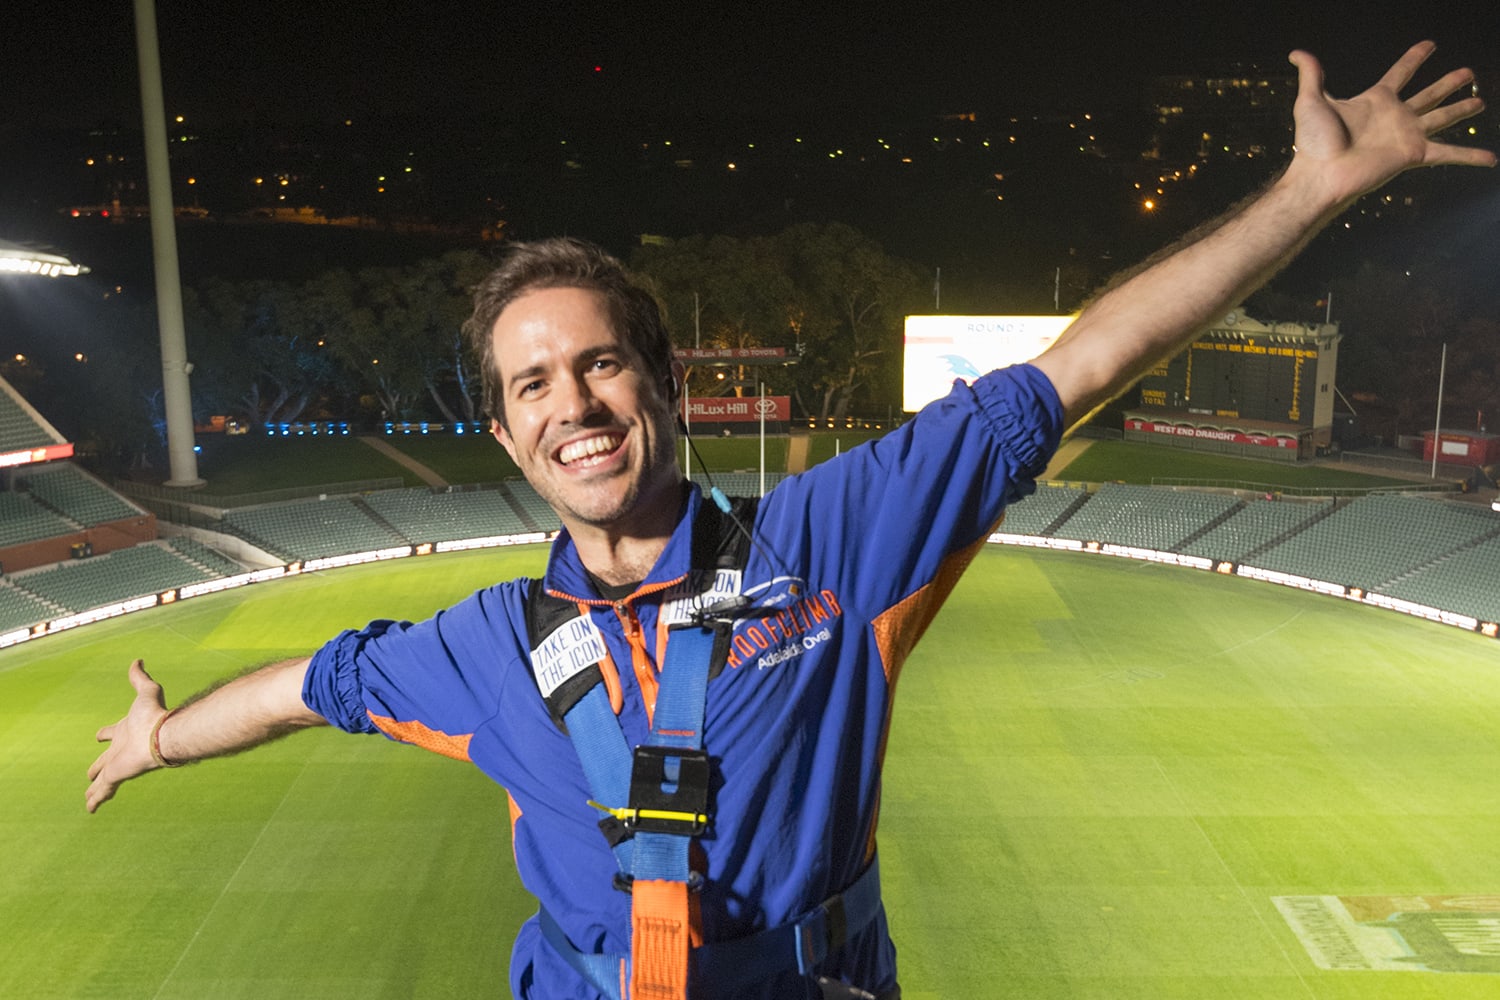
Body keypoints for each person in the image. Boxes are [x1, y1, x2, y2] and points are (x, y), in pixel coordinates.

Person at [87, 42, 1491, 999]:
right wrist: (158, 736)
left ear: (663, 381)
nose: (572, 401)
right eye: (532, 385)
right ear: (509, 436)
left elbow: (1075, 368)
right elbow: (301, 689)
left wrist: (1309, 191)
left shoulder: (831, 544)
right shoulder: (474, 651)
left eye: (599, 361)